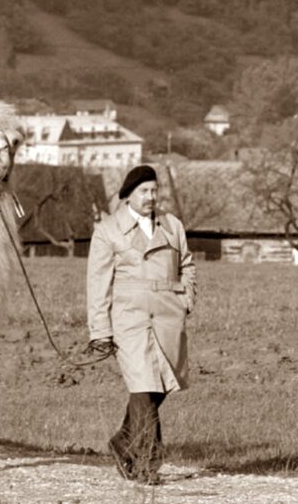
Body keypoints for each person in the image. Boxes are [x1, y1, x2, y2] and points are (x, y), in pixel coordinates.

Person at [86, 165, 196, 485]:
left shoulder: (172, 225)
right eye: (144, 191)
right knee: (143, 388)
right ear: (129, 195)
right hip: (130, 320)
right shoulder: (108, 231)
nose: (151, 197)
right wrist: (100, 331)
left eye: (154, 190)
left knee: (158, 389)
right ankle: (146, 463)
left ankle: (122, 442)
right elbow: (98, 284)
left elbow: (187, 264)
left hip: (168, 317)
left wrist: (187, 298)